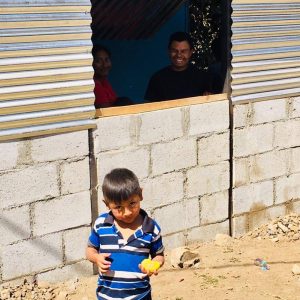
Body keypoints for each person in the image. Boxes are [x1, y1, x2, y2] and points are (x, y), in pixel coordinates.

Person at [86, 168, 165, 300]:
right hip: (107, 296)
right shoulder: (101, 225)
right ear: (107, 204)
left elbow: (159, 256)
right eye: (118, 207)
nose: (127, 212)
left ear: (140, 194)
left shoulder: (151, 229)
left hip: (140, 296)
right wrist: (96, 258)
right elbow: (90, 250)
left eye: (132, 203)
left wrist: (154, 265)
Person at [144, 31, 210, 102]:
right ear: (169, 51)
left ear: (191, 52)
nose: (179, 55)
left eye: (183, 51)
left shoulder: (202, 77)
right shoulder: (157, 79)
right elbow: (149, 108)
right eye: (175, 51)